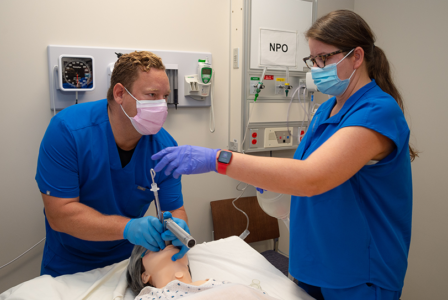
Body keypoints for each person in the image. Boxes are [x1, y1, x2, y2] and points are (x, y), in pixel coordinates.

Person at [151, 10, 415, 300]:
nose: (316, 68)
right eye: (312, 60)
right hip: (314, 263)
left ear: (356, 56)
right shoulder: (327, 110)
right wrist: (274, 182)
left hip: (358, 273)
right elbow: (304, 171)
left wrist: (218, 159)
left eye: (324, 58)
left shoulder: (378, 112)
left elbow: (313, 178)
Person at [36, 51, 190, 277]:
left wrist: (178, 228)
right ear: (120, 93)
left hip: (127, 262)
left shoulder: (164, 148)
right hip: (69, 263)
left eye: (164, 96)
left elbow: (174, 208)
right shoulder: (67, 131)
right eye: (151, 94)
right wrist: (128, 228)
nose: (161, 105)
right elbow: (60, 215)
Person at [126, 239, 278, 300]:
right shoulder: (150, 297)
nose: (163, 241)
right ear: (144, 276)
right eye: (153, 244)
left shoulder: (219, 284)